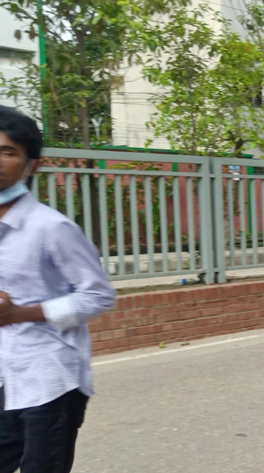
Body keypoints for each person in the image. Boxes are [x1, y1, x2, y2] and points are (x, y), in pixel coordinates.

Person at [0, 105, 117, 473]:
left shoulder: (50, 228)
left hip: (48, 377)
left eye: (7, 152)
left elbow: (99, 295)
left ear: (31, 164)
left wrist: (23, 313)